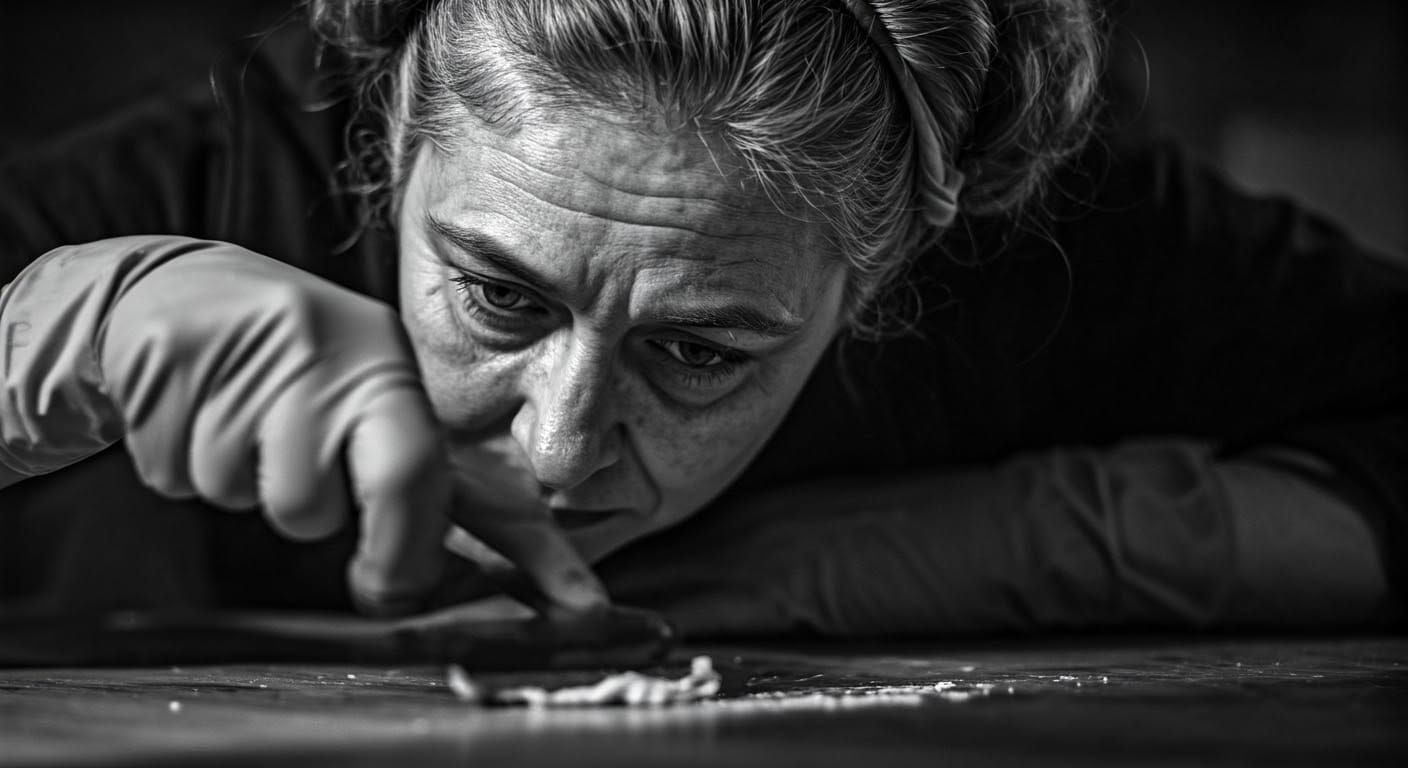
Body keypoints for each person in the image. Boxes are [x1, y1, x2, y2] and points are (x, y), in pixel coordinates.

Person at [0, 0, 1403, 637]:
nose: (558, 449)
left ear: (890, 273)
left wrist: (1028, 542)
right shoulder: (230, 181)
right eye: (498, 296)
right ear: (390, 138)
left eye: (699, 350)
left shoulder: (1043, 246)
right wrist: (46, 353)